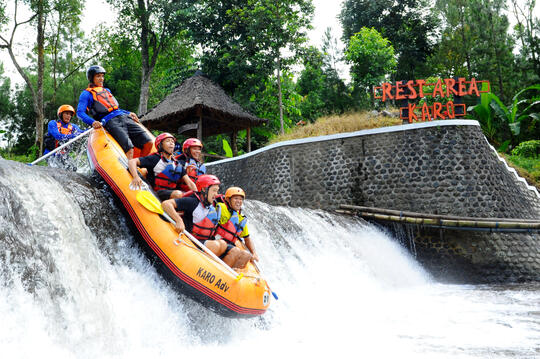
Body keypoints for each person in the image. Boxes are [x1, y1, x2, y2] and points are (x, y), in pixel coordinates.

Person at [162, 175, 247, 269]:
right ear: (204, 189)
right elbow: (166, 204)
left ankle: (221, 276)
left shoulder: (212, 206)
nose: (216, 194)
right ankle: (208, 270)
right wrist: (179, 220)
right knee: (220, 244)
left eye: (217, 191)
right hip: (191, 241)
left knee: (236, 251)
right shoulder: (193, 202)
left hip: (205, 242)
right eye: (214, 190)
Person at [76, 65, 153, 160]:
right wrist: (92, 122)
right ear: (92, 78)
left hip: (124, 117)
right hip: (110, 122)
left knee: (149, 143)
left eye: (102, 76)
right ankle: (130, 172)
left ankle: (139, 165)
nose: (101, 79)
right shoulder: (86, 94)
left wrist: (128, 112)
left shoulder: (107, 91)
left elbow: (115, 108)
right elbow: (80, 113)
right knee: (129, 148)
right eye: (98, 76)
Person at [128, 132, 197, 201]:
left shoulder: (177, 164)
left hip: (172, 193)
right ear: (160, 145)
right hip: (156, 193)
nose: (171, 143)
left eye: (172, 141)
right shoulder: (155, 158)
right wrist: (136, 177)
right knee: (178, 194)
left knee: (188, 195)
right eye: (168, 141)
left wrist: (197, 194)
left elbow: (190, 183)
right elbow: (132, 162)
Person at [214, 186, 258, 268]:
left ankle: (232, 275)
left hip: (229, 246)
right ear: (228, 199)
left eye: (241, 199)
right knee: (235, 250)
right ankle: (222, 272)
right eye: (236, 198)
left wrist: (254, 253)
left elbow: (247, 238)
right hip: (216, 241)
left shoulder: (240, 218)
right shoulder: (221, 207)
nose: (239, 201)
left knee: (247, 255)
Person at [43, 104, 84, 169]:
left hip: (63, 155)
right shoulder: (53, 123)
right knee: (57, 168)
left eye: (70, 114)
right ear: (60, 114)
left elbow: (81, 132)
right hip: (51, 154)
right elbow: (58, 136)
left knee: (74, 168)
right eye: (66, 113)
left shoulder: (73, 127)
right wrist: (74, 135)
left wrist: (92, 128)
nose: (69, 116)